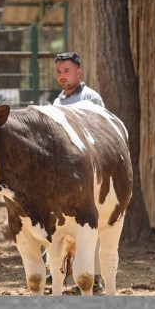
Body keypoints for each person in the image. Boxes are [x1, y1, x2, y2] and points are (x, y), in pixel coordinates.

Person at [45, 52, 105, 294]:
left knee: (91, 226)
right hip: (61, 176)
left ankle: (96, 277)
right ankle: (56, 274)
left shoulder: (91, 98)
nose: (62, 76)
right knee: (56, 224)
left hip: (86, 175)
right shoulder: (57, 103)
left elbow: (101, 132)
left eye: (66, 71)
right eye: (58, 71)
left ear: (78, 72)